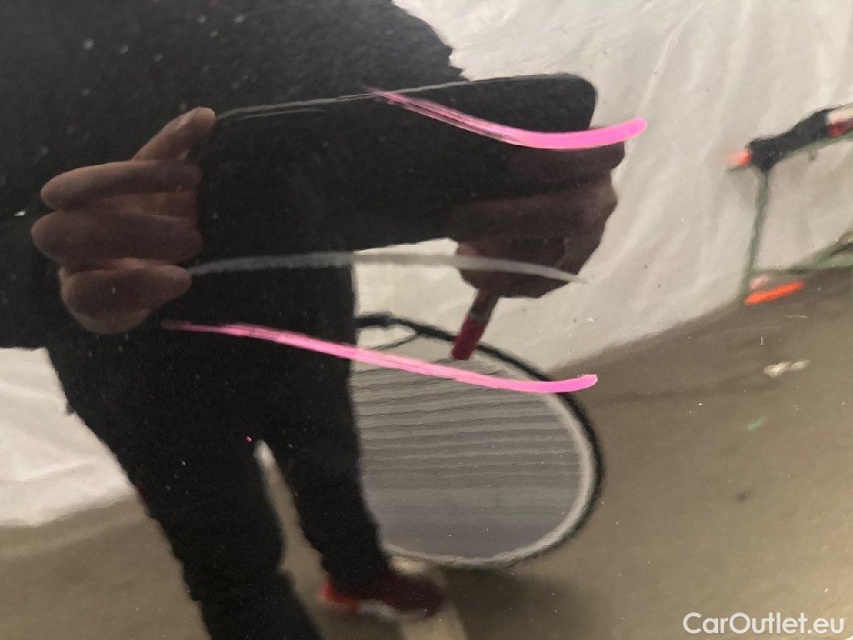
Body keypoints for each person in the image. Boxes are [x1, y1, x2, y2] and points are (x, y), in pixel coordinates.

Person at [0, 1, 625, 639]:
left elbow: (421, 97)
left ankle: (357, 575)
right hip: (129, 366)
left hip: (301, 314)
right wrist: (55, 271)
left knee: (329, 462)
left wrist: (517, 183)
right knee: (222, 543)